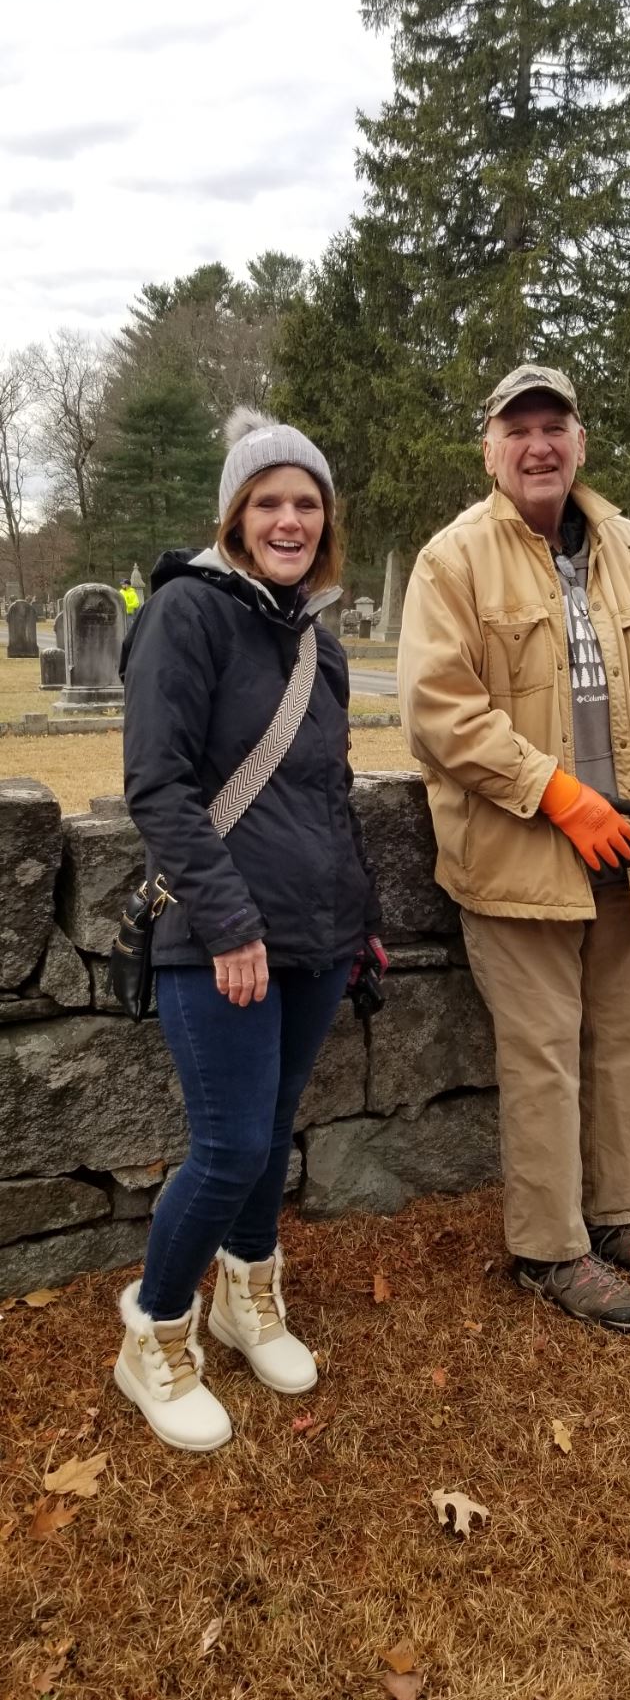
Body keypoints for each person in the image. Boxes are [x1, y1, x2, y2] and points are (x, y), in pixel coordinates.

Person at [398, 364, 630, 1335]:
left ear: (580, 443)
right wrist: (554, 791)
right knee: (544, 1056)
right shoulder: (452, 562)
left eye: (555, 426)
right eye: (520, 429)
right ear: (491, 450)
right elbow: (439, 710)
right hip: (518, 859)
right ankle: (553, 1249)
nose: (539, 444)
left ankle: (624, 1217)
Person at [115, 408, 387, 1450]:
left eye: (306, 502)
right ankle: (155, 1332)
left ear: (326, 519)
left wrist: (354, 917)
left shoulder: (317, 638)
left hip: (314, 936)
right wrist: (229, 923)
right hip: (220, 933)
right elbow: (158, 785)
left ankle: (247, 1299)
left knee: (271, 1135)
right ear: (234, 515)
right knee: (227, 1147)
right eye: (267, 501)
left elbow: (328, 789)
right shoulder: (188, 613)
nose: (289, 518)